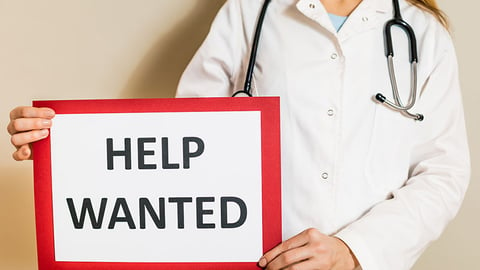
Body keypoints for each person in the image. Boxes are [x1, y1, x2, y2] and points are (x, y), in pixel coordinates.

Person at [7, 0, 470, 269]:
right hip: (251, 264)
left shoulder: (423, 35)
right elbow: (182, 148)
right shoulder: (251, 12)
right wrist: (68, 150)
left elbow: (443, 173)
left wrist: (354, 250)